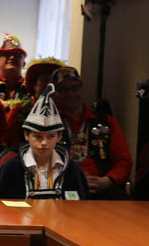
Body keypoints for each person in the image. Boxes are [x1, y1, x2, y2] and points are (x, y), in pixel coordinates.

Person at [0, 84, 89, 200]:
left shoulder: (72, 170)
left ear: (59, 136)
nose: (44, 143)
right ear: (26, 135)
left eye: (51, 136)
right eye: (38, 136)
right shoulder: (11, 169)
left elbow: (83, 206)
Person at [51, 65, 132, 198]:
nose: (70, 93)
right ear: (54, 94)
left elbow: (124, 161)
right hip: (62, 186)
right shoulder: (47, 124)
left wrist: (108, 180)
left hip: (102, 187)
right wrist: (71, 178)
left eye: (74, 88)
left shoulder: (107, 121)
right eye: (63, 89)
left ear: (81, 88)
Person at [0, 34, 31, 137]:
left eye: (17, 55)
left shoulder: (31, 87)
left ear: (23, 63)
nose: (12, 57)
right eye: (7, 54)